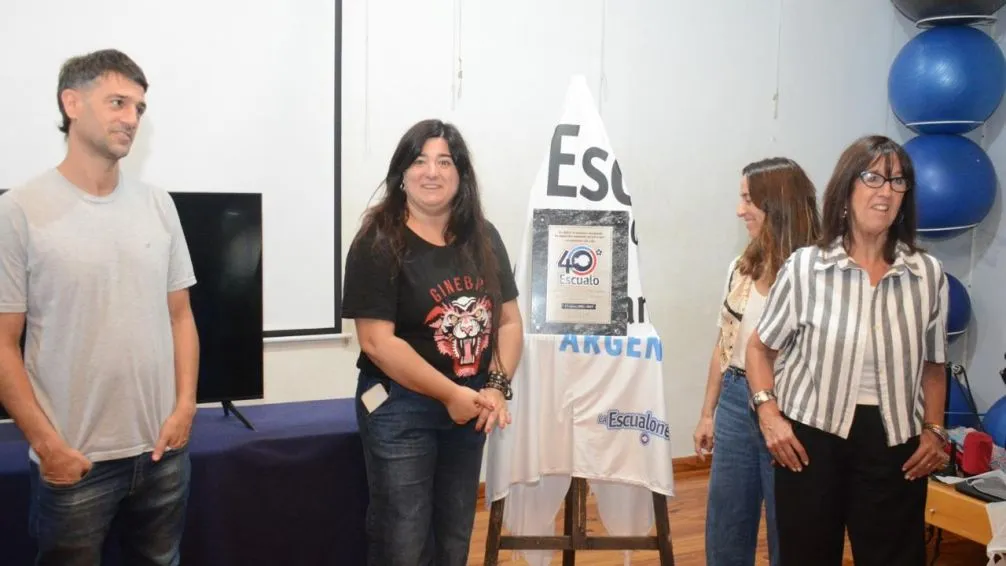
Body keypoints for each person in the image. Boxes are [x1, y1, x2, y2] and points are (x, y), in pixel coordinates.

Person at [0, 49, 199, 565]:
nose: (131, 119)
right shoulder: (19, 209)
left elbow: (181, 317)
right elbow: (3, 343)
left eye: (138, 107)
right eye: (117, 102)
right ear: (72, 102)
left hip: (162, 455)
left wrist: (184, 407)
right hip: (75, 463)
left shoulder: (159, 205)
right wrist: (48, 447)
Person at [745, 135, 950, 566]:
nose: (886, 190)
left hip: (895, 444)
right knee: (808, 556)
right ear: (845, 189)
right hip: (810, 442)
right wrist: (769, 415)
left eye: (898, 181)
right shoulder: (806, 267)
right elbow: (760, 348)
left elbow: (934, 364)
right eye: (873, 176)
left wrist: (934, 429)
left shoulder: (927, 274)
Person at [341, 118, 523, 566]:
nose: (432, 172)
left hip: (469, 407)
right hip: (399, 409)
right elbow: (377, 342)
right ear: (401, 172)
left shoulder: (484, 237)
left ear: (461, 175)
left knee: (454, 536)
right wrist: (450, 395)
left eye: (445, 161)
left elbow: (509, 323)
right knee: (402, 541)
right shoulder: (377, 240)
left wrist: (496, 386)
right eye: (420, 161)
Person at [694, 157, 821, 566]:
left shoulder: (819, 274)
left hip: (792, 409)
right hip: (734, 401)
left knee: (791, 525)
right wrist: (707, 413)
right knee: (727, 523)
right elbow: (724, 344)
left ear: (778, 203)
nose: (739, 209)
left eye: (749, 199)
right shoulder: (741, 268)